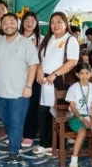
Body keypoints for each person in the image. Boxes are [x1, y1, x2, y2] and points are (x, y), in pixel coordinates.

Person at [0, 13, 39, 162]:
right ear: (0, 25)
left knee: (16, 121)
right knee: (6, 120)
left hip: (19, 92)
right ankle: (14, 142)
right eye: (5, 22)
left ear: (17, 24)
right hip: (0, 91)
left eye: (12, 22)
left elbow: (33, 65)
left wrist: (29, 86)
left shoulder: (26, 43)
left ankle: (14, 150)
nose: (8, 25)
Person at [31, 12, 81, 155]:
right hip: (45, 80)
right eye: (53, 22)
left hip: (59, 80)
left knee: (59, 113)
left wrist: (54, 74)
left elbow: (72, 62)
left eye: (59, 22)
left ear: (65, 24)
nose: (56, 25)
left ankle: (58, 144)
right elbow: (40, 57)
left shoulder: (70, 40)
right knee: (44, 111)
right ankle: (45, 143)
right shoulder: (48, 39)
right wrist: (40, 70)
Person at [64, 63, 92, 167]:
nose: (84, 76)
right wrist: (83, 119)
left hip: (89, 116)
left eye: (87, 73)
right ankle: (74, 160)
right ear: (77, 74)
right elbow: (73, 108)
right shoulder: (73, 88)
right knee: (82, 132)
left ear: (91, 74)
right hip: (76, 117)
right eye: (82, 73)